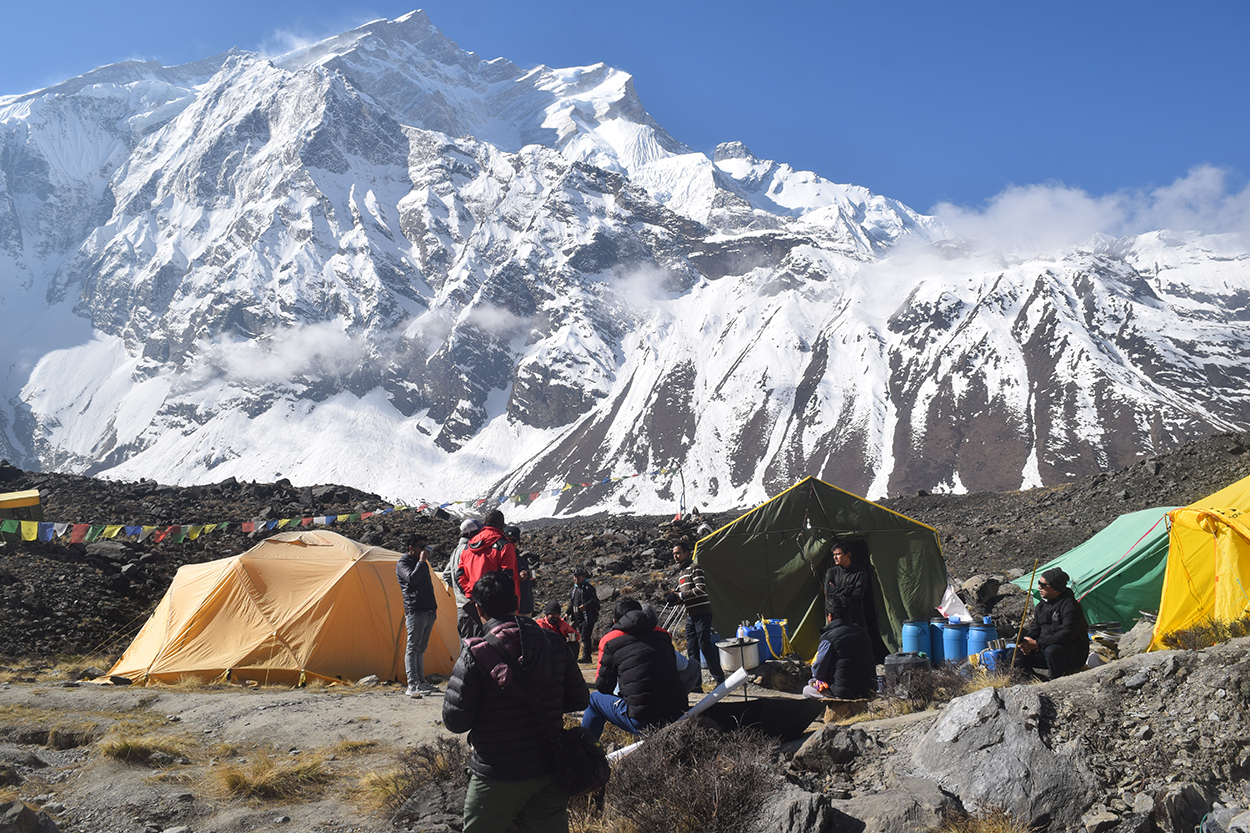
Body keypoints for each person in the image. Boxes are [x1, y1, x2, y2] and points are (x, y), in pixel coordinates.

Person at [443, 571, 589, 833]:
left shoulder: (475, 654)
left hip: (497, 773)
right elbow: (579, 698)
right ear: (516, 602)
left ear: (479, 610)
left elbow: (455, 721)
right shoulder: (555, 642)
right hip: (550, 767)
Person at [581, 599, 688, 741]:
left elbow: (603, 687)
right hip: (677, 713)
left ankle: (584, 750)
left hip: (644, 721)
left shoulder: (611, 640)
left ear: (616, 621)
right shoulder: (663, 635)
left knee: (594, 699)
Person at [666, 540, 725, 686]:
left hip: (702, 613)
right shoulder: (681, 574)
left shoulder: (695, 568)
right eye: (674, 554)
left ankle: (720, 680)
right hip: (690, 615)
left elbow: (700, 589)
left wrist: (681, 596)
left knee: (704, 645)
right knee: (692, 649)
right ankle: (696, 684)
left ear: (687, 553)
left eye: (678, 553)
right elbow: (685, 595)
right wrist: (675, 599)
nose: (675, 556)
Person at [1014, 567, 1090, 680]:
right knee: (1014, 654)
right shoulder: (1041, 606)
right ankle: (1036, 682)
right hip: (1045, 649)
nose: (1039, 587)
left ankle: (1057, 682)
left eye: (1043, 585)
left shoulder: (1070, 606)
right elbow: (1035, 627)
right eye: (1039, 583)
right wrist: (1027, 642)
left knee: (1053, 651)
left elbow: (1066, 633)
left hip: (1072, 653)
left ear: (1055, 588)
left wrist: (1038, 643)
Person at [823, 541, 888, 663]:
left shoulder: (860, 572)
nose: (835, 557)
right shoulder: (832, 572)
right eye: (834, 554)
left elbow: (858, 593)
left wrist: (836, 590)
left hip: (855, 614)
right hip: (837, 617)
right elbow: (828, 591)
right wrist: (850, 588)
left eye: (838, 554)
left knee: (858, 643)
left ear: (848, 555)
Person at [803, 596, 877, 700]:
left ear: (830, 617)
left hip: (844, 692)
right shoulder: (863, 632)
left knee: (807, 689)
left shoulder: (829, 637)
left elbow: (818, 671)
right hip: (869, 690)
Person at [397, 533, 441, 698]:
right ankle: (413, 684)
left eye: (425, 546)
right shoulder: (403, 563)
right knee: (413, 647)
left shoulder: (421, 564)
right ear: (411, 548)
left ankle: (421, 682)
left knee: (420, 649)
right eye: (420, 546)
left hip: (429, 610)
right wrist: (422, 562)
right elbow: (412, 579)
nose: (424, 549)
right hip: (415, 610)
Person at [458, 510, 520, 617]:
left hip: (474, 604)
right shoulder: (505, 546)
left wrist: (472, 593)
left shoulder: (468, 547)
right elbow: (507, 577)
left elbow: (459, 575)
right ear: (502, 525)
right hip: (498, 608)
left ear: (485, 523)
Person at [446, 518, 484, 639]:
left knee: (465, 645)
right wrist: (468, 592)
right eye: (478, 532)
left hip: (461, 607)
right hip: (472, 605)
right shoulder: (469, 549)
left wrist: (458, 591)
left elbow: (447, 575)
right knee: (477, 645)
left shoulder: (455, 551)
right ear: (470, 534)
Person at [566, 567, 600, 663]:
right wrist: (567, 613)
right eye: (574, 577)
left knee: (585, 636)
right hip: (577, 617)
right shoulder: (575, 589)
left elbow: (595, 601)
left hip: (587, 617)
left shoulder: (588, 588)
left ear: (583, 577)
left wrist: (586, 606)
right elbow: (572, 603)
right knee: (575, 635)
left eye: (577, 577)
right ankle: (576, 654)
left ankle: (587, 657)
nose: (575, 579)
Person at [505, 525, 535, 617]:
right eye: (508, 540)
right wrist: (517, 579)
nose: (511, 543)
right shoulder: (504, 559)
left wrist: (530, 578)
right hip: (513, 609)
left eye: (513, 540)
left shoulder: (521, 560)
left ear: (518, 542)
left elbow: (530, 584)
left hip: (527, 607)